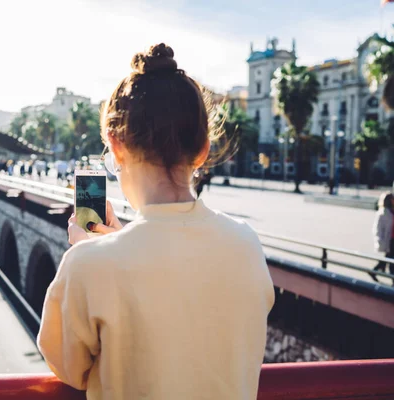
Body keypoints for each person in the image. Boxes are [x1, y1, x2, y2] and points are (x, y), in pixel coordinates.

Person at [37, 43, 274, 399]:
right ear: (203, 150)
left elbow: (70, 368)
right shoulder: (246, 243)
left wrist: (97, 254)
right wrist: (115, 247)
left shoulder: (90, 263)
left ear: (116, 147)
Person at [370, 192, 394, 284]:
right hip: (389, 240)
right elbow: (377, 229)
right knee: (391, 261)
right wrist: (379, 240)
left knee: (388, 258)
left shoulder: (392, 211)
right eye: (392, 199)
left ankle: (374, 271)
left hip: (393, 239)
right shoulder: (382, 213)